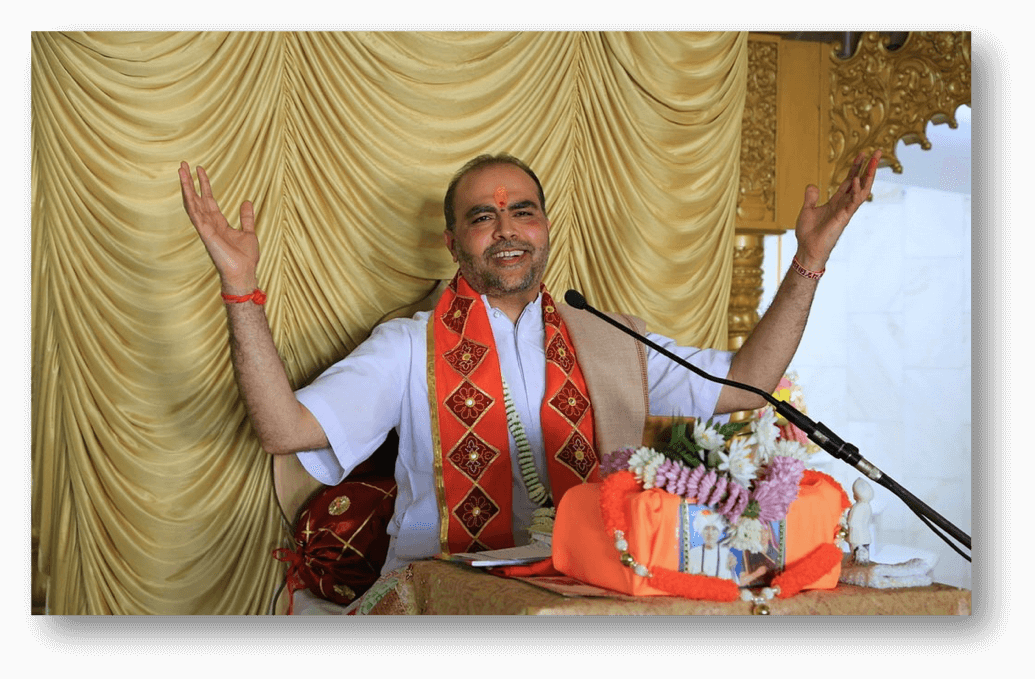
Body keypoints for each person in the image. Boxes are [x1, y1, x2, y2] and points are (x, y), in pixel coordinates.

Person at [178, 149, 880, 574]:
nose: (506, 227)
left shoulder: (606, 337)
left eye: (523, 210)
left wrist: (809, 263)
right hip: (440, 590)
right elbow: (283, 427)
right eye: (482, 216)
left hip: (582, 585)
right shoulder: (406, 347)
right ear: (454, 241)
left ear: (544, 229)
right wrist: (242, 290)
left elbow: (749, 385)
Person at [686, 510, 739, 583]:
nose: (710, 533)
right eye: (706, 528)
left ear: (719, 532)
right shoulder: (693, 553)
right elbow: (686, 581)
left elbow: (733, 583)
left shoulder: (725, 553)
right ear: (701, 532)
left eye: (714, 529)